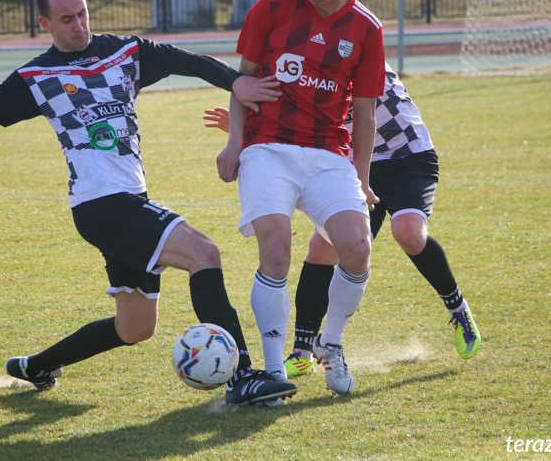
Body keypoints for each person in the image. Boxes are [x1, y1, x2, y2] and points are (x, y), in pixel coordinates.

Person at [0, 0, 297, 407]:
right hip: (101, 206)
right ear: (44, 23)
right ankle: (243, 377)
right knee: (205, 252)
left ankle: (36, 366)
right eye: (66, 19)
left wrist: (235, 82)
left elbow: (191, 61)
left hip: (128, 201)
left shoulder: (125, 52)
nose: (78, 25)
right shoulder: (35, 76)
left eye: (82, 14)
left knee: (135, 327)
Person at [203, 63, 482, 381]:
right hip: (355, 161)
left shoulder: (354, 46)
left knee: (408, 232)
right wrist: (250, 129)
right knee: (322, 246)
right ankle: (304, 349)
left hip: (408, 156)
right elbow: (296, 117)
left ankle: (457, 310)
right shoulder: (307, 59)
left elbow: (350, 111)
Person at [215, 0, 385, 396]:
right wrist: (234, 144)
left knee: (357, 246)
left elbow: (366, 115)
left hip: (328, 153)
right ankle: (273, 372)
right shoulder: (271, 7)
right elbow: (241, 86)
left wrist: (363, 178)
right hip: (267, 146)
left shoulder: (367, 28)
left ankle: (329, 345)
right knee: (276, 245)